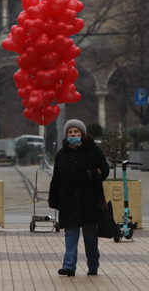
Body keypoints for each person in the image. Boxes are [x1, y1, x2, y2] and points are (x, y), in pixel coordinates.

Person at [48, 119, 110, 277]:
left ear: (82, 134)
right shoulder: (62, 154)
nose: (73, 134)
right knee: (70, 236)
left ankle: (93, 265)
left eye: (76, 132)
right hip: (68, 201)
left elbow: (104, 169)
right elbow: (56, 178)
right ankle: (69, 266)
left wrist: (91, 174)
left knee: (90, 237)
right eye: (70, 132)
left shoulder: (93, 150)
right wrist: (53, 198)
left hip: (89, 200)